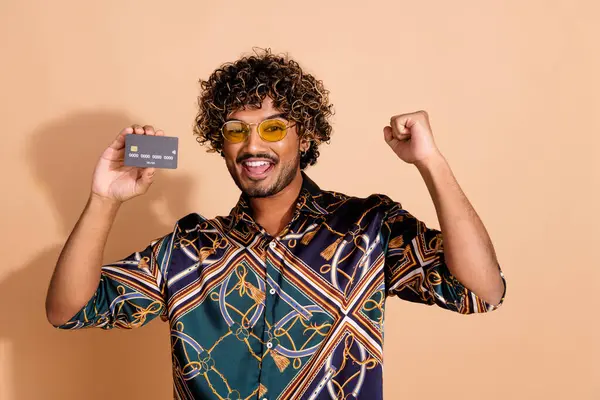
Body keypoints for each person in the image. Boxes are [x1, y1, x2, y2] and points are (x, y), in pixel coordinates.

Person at [45, 49, 506, 400]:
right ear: (219, 143)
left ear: (304, 136)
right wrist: (104, 199)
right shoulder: (188, 249)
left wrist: (430, 162)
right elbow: (68, 310)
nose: (251, 146)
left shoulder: (368, 228)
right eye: (235, 129)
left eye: (271, 128)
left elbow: (482, 291)